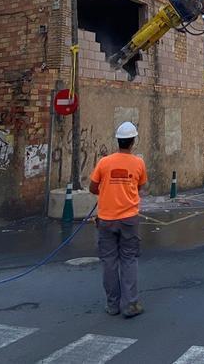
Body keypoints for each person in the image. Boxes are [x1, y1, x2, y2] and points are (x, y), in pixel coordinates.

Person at [90, 121, 148, 318]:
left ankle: (112, 304)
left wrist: (107, 188)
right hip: (129, 219)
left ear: (118, 141)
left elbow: (92, 187)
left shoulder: (104, 162)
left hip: (105, 219)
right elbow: (139, 187)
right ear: (133, 141)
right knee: (129, 259)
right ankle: (131, 304)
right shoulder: (138, 163)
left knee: (109, 261)